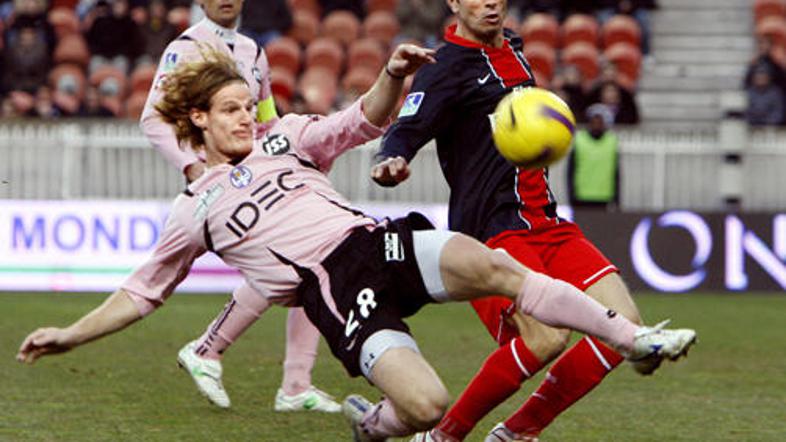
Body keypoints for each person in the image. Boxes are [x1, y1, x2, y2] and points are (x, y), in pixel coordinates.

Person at [17, 46, 696, 442]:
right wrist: (69, 335)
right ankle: (377, 426)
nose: (245, 120)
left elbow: (361, 121)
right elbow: (141, 293)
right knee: (425, 407)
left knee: (492, 265)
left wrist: (394, 74)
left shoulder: (281, 138)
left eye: (247, 107)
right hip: (339, 293)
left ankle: (630, 338)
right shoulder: (195, 208)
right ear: (198, 119)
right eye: (230, 111)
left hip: (375, 242)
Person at [371, 0, 681, 440]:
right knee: (546, 338)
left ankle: (518, 432)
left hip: (546, 220)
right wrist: (391, 156)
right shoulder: (445, 67)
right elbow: (406, 126)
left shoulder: (515, 46)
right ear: (454, 3)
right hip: (491, 230)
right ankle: (443, 435)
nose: (490, 1)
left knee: (625, 328)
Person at [139, 0, 338, 412]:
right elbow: (152, 118)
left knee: (312, 260)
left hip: (253, 176)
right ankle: (219, 356)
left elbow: (266, 119)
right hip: (216, 184)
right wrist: (192, 165)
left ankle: (294, 385)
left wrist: (288, 154)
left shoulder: (254, 51)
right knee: (297, 261)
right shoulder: (184, 48)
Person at [567, 103, 620, 210]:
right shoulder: (579, 140)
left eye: (599, 121)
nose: (596, 124)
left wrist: (617, 198)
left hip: (604, 197)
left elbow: (616, 172)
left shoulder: (612, 142)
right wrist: (571, 195)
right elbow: (571, 171)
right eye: (594, 121)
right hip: (581, 196)